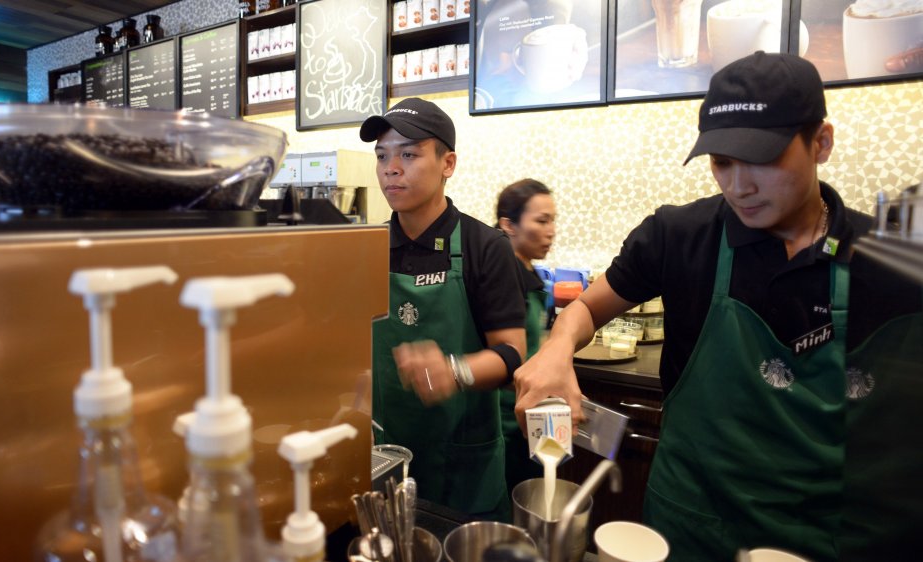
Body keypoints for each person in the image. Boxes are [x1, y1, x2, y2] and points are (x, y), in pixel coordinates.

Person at [514, 51, 878, 561]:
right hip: (689, 527)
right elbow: (586, 311)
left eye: (763, 159)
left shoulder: (888, 260)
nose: (738, 185)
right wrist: (556, 349)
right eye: (722, 162)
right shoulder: (678, 236)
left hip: (823, 536)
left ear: (821, 143)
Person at [359, 97, 530, 519]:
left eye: (409, 154)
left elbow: (512, 356)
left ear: (447, 163)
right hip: (387, 460)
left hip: (464, 466)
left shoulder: (484, 247)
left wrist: (453, 370)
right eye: (382, 155)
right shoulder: (367, 249)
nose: (390, 168)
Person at [494, 178, 557, 491]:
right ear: (509, 225)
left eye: (553, 220)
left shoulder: (529, 272)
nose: (551, 231)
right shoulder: (502, 278)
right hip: (506, 425)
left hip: (531, 417)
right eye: (541, 221)